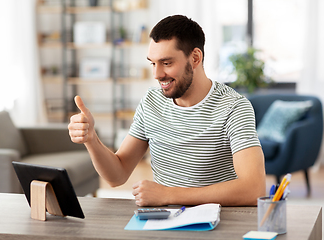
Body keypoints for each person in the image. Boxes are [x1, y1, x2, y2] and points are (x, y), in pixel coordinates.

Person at [68, 15, 266, 207]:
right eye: (153, 63)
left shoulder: (234, 107)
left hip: (217, 222)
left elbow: (254, 188)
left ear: (195, 58)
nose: (157, 74)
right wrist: (91, 139)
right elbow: (117, 175)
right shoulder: (151, 102)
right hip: (165, 222)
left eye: (167, 63)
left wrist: (169, 194)